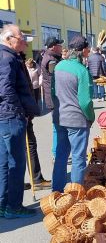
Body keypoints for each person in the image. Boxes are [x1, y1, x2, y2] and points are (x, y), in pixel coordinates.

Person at [0, 24, 40, 218]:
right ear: (9, 39)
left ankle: (4, 204)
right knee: (15, 162)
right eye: (21, 38)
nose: (24, 42)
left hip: (6, 115)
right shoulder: (7, 58)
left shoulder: (8, 56)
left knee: (6, 162)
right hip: (10, 116)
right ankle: (13, 206)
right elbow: (5, 89)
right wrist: (20, 111)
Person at [52, 35, 95, 192]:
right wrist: (91, 117)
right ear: (83, 50)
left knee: (61, 157)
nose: (88, 51)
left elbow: (52, 93)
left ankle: (56, 192)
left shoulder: (58, 66)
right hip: (77, 120)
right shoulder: (82, 71)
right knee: (78, 158)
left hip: (59, 117)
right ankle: (76, 195)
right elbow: (85, 101)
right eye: (87, 49)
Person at [21, 54, 51, 191]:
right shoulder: (9, 61)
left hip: (20, 112)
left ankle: (18, 181)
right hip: (17, 113)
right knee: (28, 146)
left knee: (20, 148)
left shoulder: (14, 60)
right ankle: (36, 179)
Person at [41, 36, 64, 160]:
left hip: (53, 96)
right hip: (54, 98)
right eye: (59, 45)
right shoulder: (51, 60)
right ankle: (56, 153)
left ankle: (57, 152)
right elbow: (58, 77)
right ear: (54, 47)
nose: (61, 47)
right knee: (57, 127)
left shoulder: (52, 57)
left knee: (58, 126)